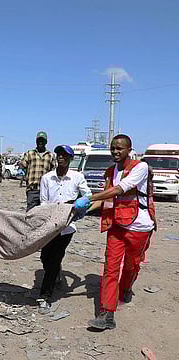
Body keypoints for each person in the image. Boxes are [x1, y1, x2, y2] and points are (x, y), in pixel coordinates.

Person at [74, 134, 156, 331]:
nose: (116, 151)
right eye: (113, 148)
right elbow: (106, 199)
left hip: (139, 225)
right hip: (117, 225)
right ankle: (107, 314)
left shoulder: (140, 168)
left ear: (129, 150)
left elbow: (120, 190)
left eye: (120, 148)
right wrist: (84, 209)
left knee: (131, 265)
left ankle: (126, 287)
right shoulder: (110, 172)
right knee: (110, 268)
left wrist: (89, 196)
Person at [37, 145, 91, 314]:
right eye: (59, 155)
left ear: (70, 159)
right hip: (50, 224)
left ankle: (45, 296)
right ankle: (56, 272)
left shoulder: (77, 177)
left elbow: (88, 195)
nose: (61, 158)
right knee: (45, 257)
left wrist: (81, 203)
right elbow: (43, 201)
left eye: (65, 156)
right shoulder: (47, 178)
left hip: (67, 226)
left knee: (54, 258)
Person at [21, 131, 56, 211]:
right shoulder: (30, 153)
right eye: (39, 140)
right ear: (36, 141)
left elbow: (53, 171)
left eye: (42, 140)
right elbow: (23, 165)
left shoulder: (50, 155)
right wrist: (25, 174)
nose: (40, 142)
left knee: (44, 212)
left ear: (46, 142)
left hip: (46, 190)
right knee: (30, 212)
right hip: (32, 189)